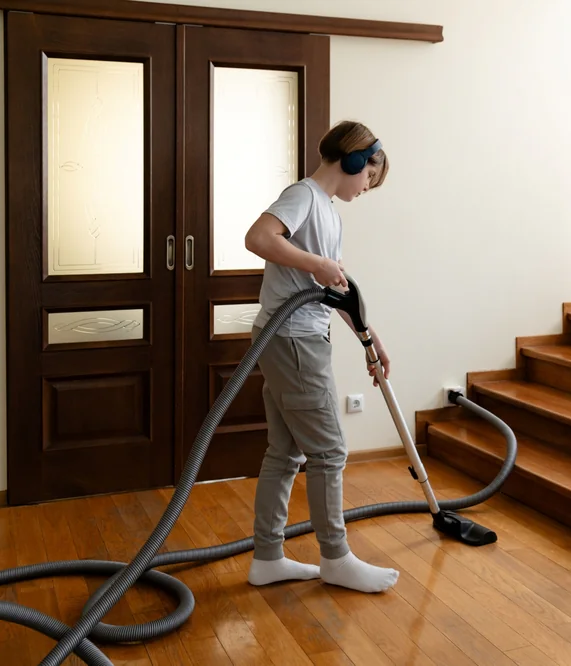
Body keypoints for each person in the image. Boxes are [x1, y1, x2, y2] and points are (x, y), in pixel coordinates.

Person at [242, 120, 400, 593]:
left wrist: (372, 341)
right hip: (292, 338)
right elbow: (258, 238)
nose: (368, 187)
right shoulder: (305, 196)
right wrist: (317, 264)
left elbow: (335, 292)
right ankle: (336, 558)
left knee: (285, 452)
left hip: (294, 336)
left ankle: (267, 557)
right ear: (354, 161)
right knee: (329, 452)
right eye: (369, 176)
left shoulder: (328, 211)